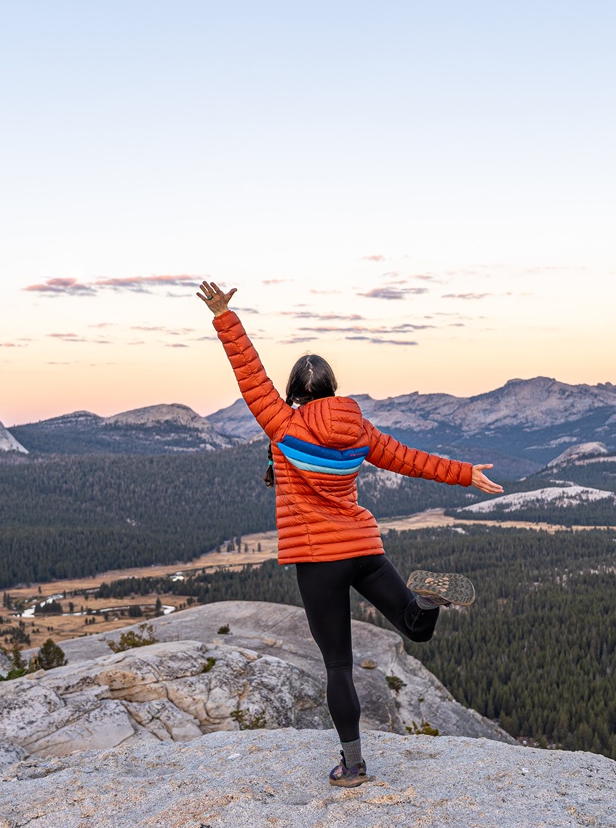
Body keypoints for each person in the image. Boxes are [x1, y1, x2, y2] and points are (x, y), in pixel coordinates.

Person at [198, 281, 503, 787]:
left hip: (319, 560)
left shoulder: (283, 425)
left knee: (338, 664)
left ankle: (353, 765)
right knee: (416, 626)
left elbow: (248, 373)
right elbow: (410, 459)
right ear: (333, 389)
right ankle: (426, 599)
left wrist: (224, 315)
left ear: (295, 393)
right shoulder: (360, 429)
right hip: (363, 547)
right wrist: (465, 472)